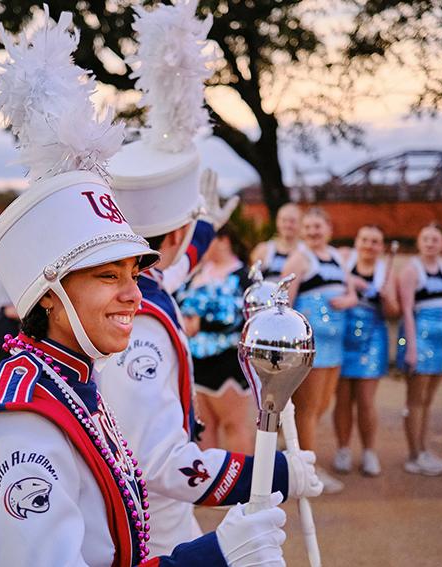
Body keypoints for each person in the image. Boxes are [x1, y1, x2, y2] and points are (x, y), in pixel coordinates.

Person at [0, 12, 288, 566]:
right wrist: (208, 559)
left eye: (135, 273)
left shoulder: (68, 380)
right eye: (109, 276)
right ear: (51, 295)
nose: (135, 294)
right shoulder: (23, 432)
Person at [100, 1, 321, 556]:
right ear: (172, 234)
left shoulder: (140, 286)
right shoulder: (139, 323)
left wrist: (200, 225)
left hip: (148, 514)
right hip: (148, 527)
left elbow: (173, 265)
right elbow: (165, 464)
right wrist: (275, 474)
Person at [282, 207, 357, 493]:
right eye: (309, 227)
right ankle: (307, 469)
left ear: (329, 229)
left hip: (336, 344)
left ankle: (296, 454)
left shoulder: (339, 257)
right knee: (308, 408)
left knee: (323, 404)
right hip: (310, 344)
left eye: (319, 227)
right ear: (303, 230)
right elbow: (284, 303)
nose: (314, 232)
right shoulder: (299, 259)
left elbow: (351, 293)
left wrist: (348, 301)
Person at [178, 226, 254, 453]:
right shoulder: (196, 273)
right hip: (195, 362)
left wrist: (201, 324)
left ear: (223, 240)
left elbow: (244, 317)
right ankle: (211, 485)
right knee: (203, 426)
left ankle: (241, 484)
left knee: (233, 425)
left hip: (228, 362)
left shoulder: (243, 275)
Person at [333, 226, 400, 477]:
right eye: (365, 240)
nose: (369, 245)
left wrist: (386, 299)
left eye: (375, 241)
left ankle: (369, 452)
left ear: (381, 247)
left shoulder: (387, 272)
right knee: (342, 399)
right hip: (342, 335)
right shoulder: (342, 261)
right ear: (356, 241)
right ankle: (342, 449)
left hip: (372, 339)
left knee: (365, 400)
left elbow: (394, 312)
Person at [396, 223, 442, 476]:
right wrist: (411, 348)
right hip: (419, 336)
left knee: (428, 400)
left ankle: (423, 449)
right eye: (425, 238)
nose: (430, 243)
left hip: (441, 339)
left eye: (435, 239)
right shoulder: (411, 270)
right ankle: (414, 454)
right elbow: (407, 310)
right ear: (418, 242)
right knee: (416, 399)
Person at [251, 203, 304, 280]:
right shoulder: (263, 250)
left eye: (292, 221)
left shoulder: (307, 251)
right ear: (277, 222)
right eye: (284, 220)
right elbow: (252, 280)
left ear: (300, 223)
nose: (288, 225)